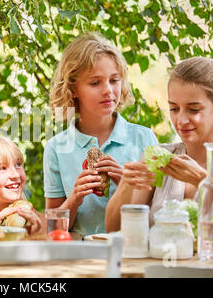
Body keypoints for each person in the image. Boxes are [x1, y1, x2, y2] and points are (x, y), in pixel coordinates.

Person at [106, 56, 213, 232]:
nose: (181, 120)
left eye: (193, 109)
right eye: (174, 108)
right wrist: (126, 185)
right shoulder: (158, 157)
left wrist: (203, 180)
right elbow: (113, 229)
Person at [43, 32, 158, 239]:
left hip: (132, 252)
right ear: (73, 88)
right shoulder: (56, 147)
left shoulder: (144, 138)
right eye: (95, 83)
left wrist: (128, 185)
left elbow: (158, 214)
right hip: (81, 257)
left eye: (114, 80)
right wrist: (74, 199)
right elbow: (53, 229)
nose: (108, 90)